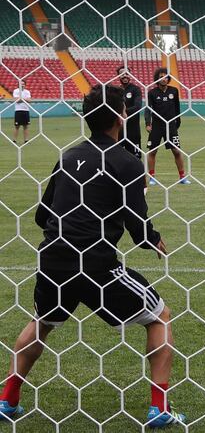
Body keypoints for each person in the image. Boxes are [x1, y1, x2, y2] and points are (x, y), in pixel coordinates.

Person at [0, 85, 185, 427]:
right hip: (95, 264)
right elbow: (138, 226)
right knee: (160, 316)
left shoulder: (68, 157)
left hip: (53, 258)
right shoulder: (127, 161)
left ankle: (7, 401)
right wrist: (154, 240)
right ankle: (160, 407)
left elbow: (43, 215)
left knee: (41, 323)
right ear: (121, 117)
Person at [144, 68, 189, 186]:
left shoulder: (173, 91)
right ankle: (152, 177)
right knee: (152, 151)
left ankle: (182, 177)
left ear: (168, 78)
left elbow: (177, 108)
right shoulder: (152, 93)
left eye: (165, 76)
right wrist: (148, 123)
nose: (163, 79)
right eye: (161, 76)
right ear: (157, 79)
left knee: (176, 151)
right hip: (157, 126)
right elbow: (148, 109)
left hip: (170, 126)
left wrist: (177, 123)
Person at [118, 66, 143, 159]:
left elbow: (137, 107)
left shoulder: (136, 89)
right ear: (118, 76)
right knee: (118, 157)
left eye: (127, 73)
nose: (124, 76)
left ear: (130, 76)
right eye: (122, 74)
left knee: (136, 158)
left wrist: (123, 112)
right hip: (119, 130)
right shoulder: (116, 90)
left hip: (133, 130)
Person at [12, 79, 31, 145]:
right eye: (21, 84)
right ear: (18, 84)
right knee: (17, 126)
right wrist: (24, 99)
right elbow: (16, 100)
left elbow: (29, 100)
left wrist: (21, 99)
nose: (22, 85)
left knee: (25, 126)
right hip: (18, 110)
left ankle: (26, 140)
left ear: (25, 85)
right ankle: (14, 140)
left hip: (26, 110)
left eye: (23, 84)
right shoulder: (16, 91)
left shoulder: (27, 91)